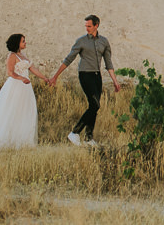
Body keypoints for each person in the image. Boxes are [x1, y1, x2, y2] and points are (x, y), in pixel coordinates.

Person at [48, 14, 120, 146]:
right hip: (85, 75)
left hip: (97, 76)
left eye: (89, 26)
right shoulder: (81, 41)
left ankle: (88, 138)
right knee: (95, 105)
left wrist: (115, 81)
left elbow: (108, 63)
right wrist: (55, 76)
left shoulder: (104, 41)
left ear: (96, 25)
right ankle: (75, 132)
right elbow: (69, 58)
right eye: (85, 26)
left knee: (95, 107)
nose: (87, 28)